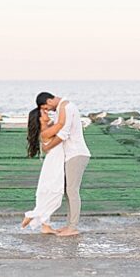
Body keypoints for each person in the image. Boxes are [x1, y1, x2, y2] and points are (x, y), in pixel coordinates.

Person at [36, 91, 91, 237]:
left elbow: (63, 133)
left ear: (49, 101)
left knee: (72, 190)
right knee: (68, 190)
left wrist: (47, 147)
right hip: (72, 154)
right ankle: (69, 225)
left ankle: (72, 228)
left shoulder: (64, 107)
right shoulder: (64, 106)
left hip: (76, 153)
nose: (48, 111)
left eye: (46, 108)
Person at [21, 99, 68, 234]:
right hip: (53, 164)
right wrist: (63, 105)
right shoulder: (46, 132)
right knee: (55, 194)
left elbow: (58, 123)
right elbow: (61, 123)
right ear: (40, 119)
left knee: (49, 193)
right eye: (44, 112)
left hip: (53, 163)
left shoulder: (48, 128)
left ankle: (45, 226)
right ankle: (32, 214)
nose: (47, 112)